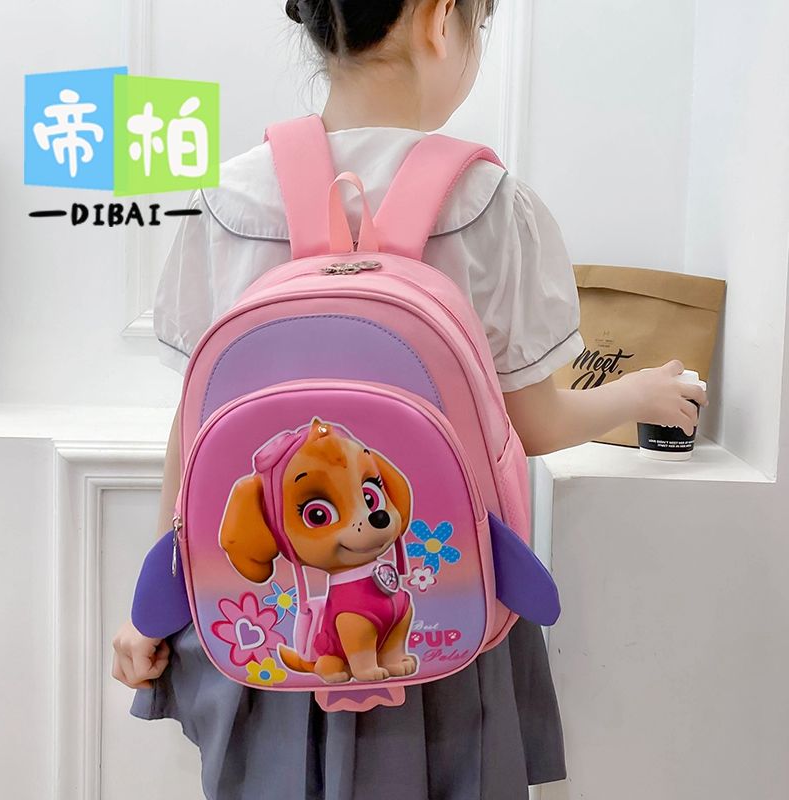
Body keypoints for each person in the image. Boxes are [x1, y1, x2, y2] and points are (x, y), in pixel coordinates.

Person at [111, 2, 709, 798]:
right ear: (437, 19)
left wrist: (152, 606)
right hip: (435, 620)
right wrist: (639, 393)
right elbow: (533, 423)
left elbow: (195, 434)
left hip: (265, 625)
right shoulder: (489, 203)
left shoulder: (229, 198)